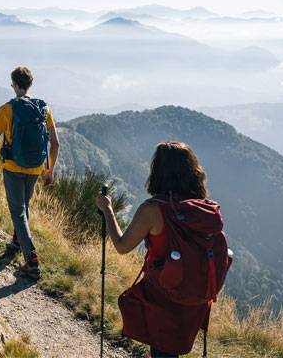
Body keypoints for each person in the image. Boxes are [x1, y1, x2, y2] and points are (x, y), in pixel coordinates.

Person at [94, 141, 225, 358]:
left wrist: (108, 210)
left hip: (164, 295)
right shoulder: (204, 209)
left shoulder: (153, 210)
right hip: (196, 297)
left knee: (163, 351)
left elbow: (122, 246)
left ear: (158, 171)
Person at [0, 66, 59, 280]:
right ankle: (17, 242)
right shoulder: (44, 108)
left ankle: (31, 261)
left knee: (18, 211)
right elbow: (55, 144)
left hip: (13, 168)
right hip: (35, 167)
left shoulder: (7, 110)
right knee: (24, 207)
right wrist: (49, 171)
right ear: (30, 84)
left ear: (14, 84)